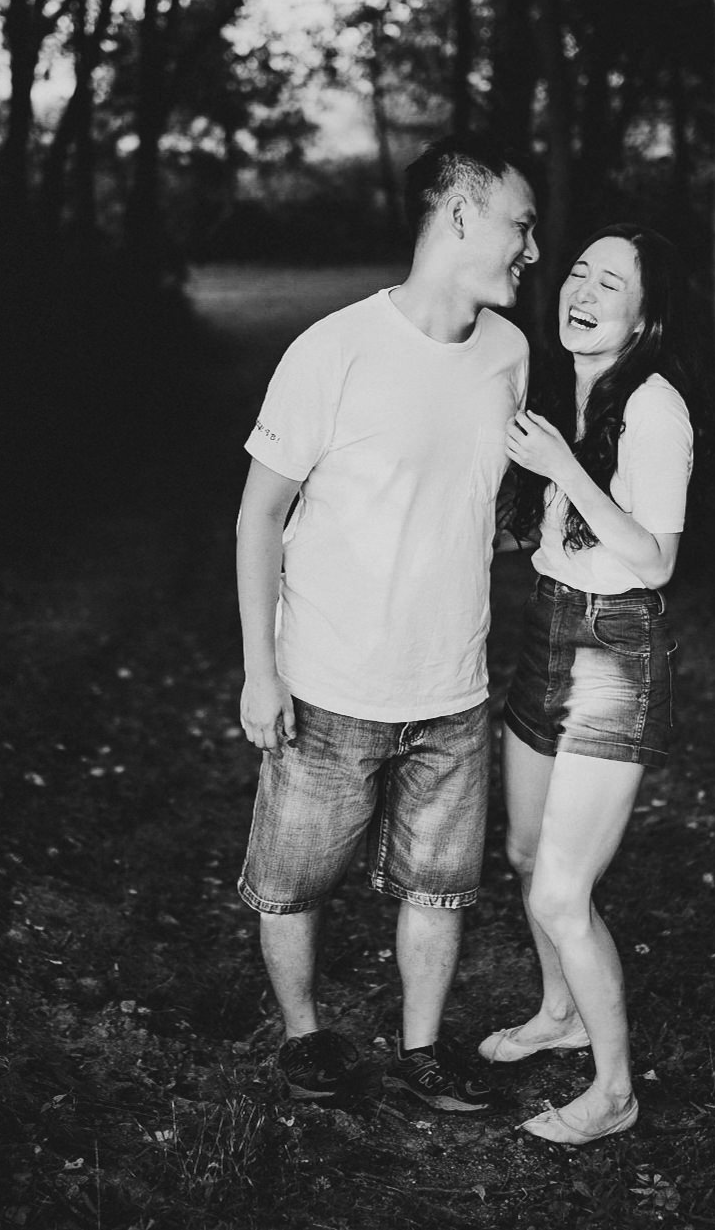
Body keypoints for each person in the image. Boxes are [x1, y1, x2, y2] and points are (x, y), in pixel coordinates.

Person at [234, 132, 537, 1112]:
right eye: (519, 226)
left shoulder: (510, 353)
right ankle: (305, 1038)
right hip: (330, 681)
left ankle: (418, 1051)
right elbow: (256, 516)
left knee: (439, 887)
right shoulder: (332, 351)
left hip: (453, 682)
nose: (532, 250)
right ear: (460, 217)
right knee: (292, 881)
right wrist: (259, 670)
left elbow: (478, 503)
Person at [478, 223, 693, 1146]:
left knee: (563, 891)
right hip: (547, 629)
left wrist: (565, 466)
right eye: (577, 272)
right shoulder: (561, 389)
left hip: (615, 646)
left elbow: (656, 560)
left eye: (612, 283)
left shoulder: (655, 409)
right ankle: (559, 1013)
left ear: (644, 316)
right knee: (527, 855)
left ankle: (614, 1091)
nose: (584, 291)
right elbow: (539, 532)